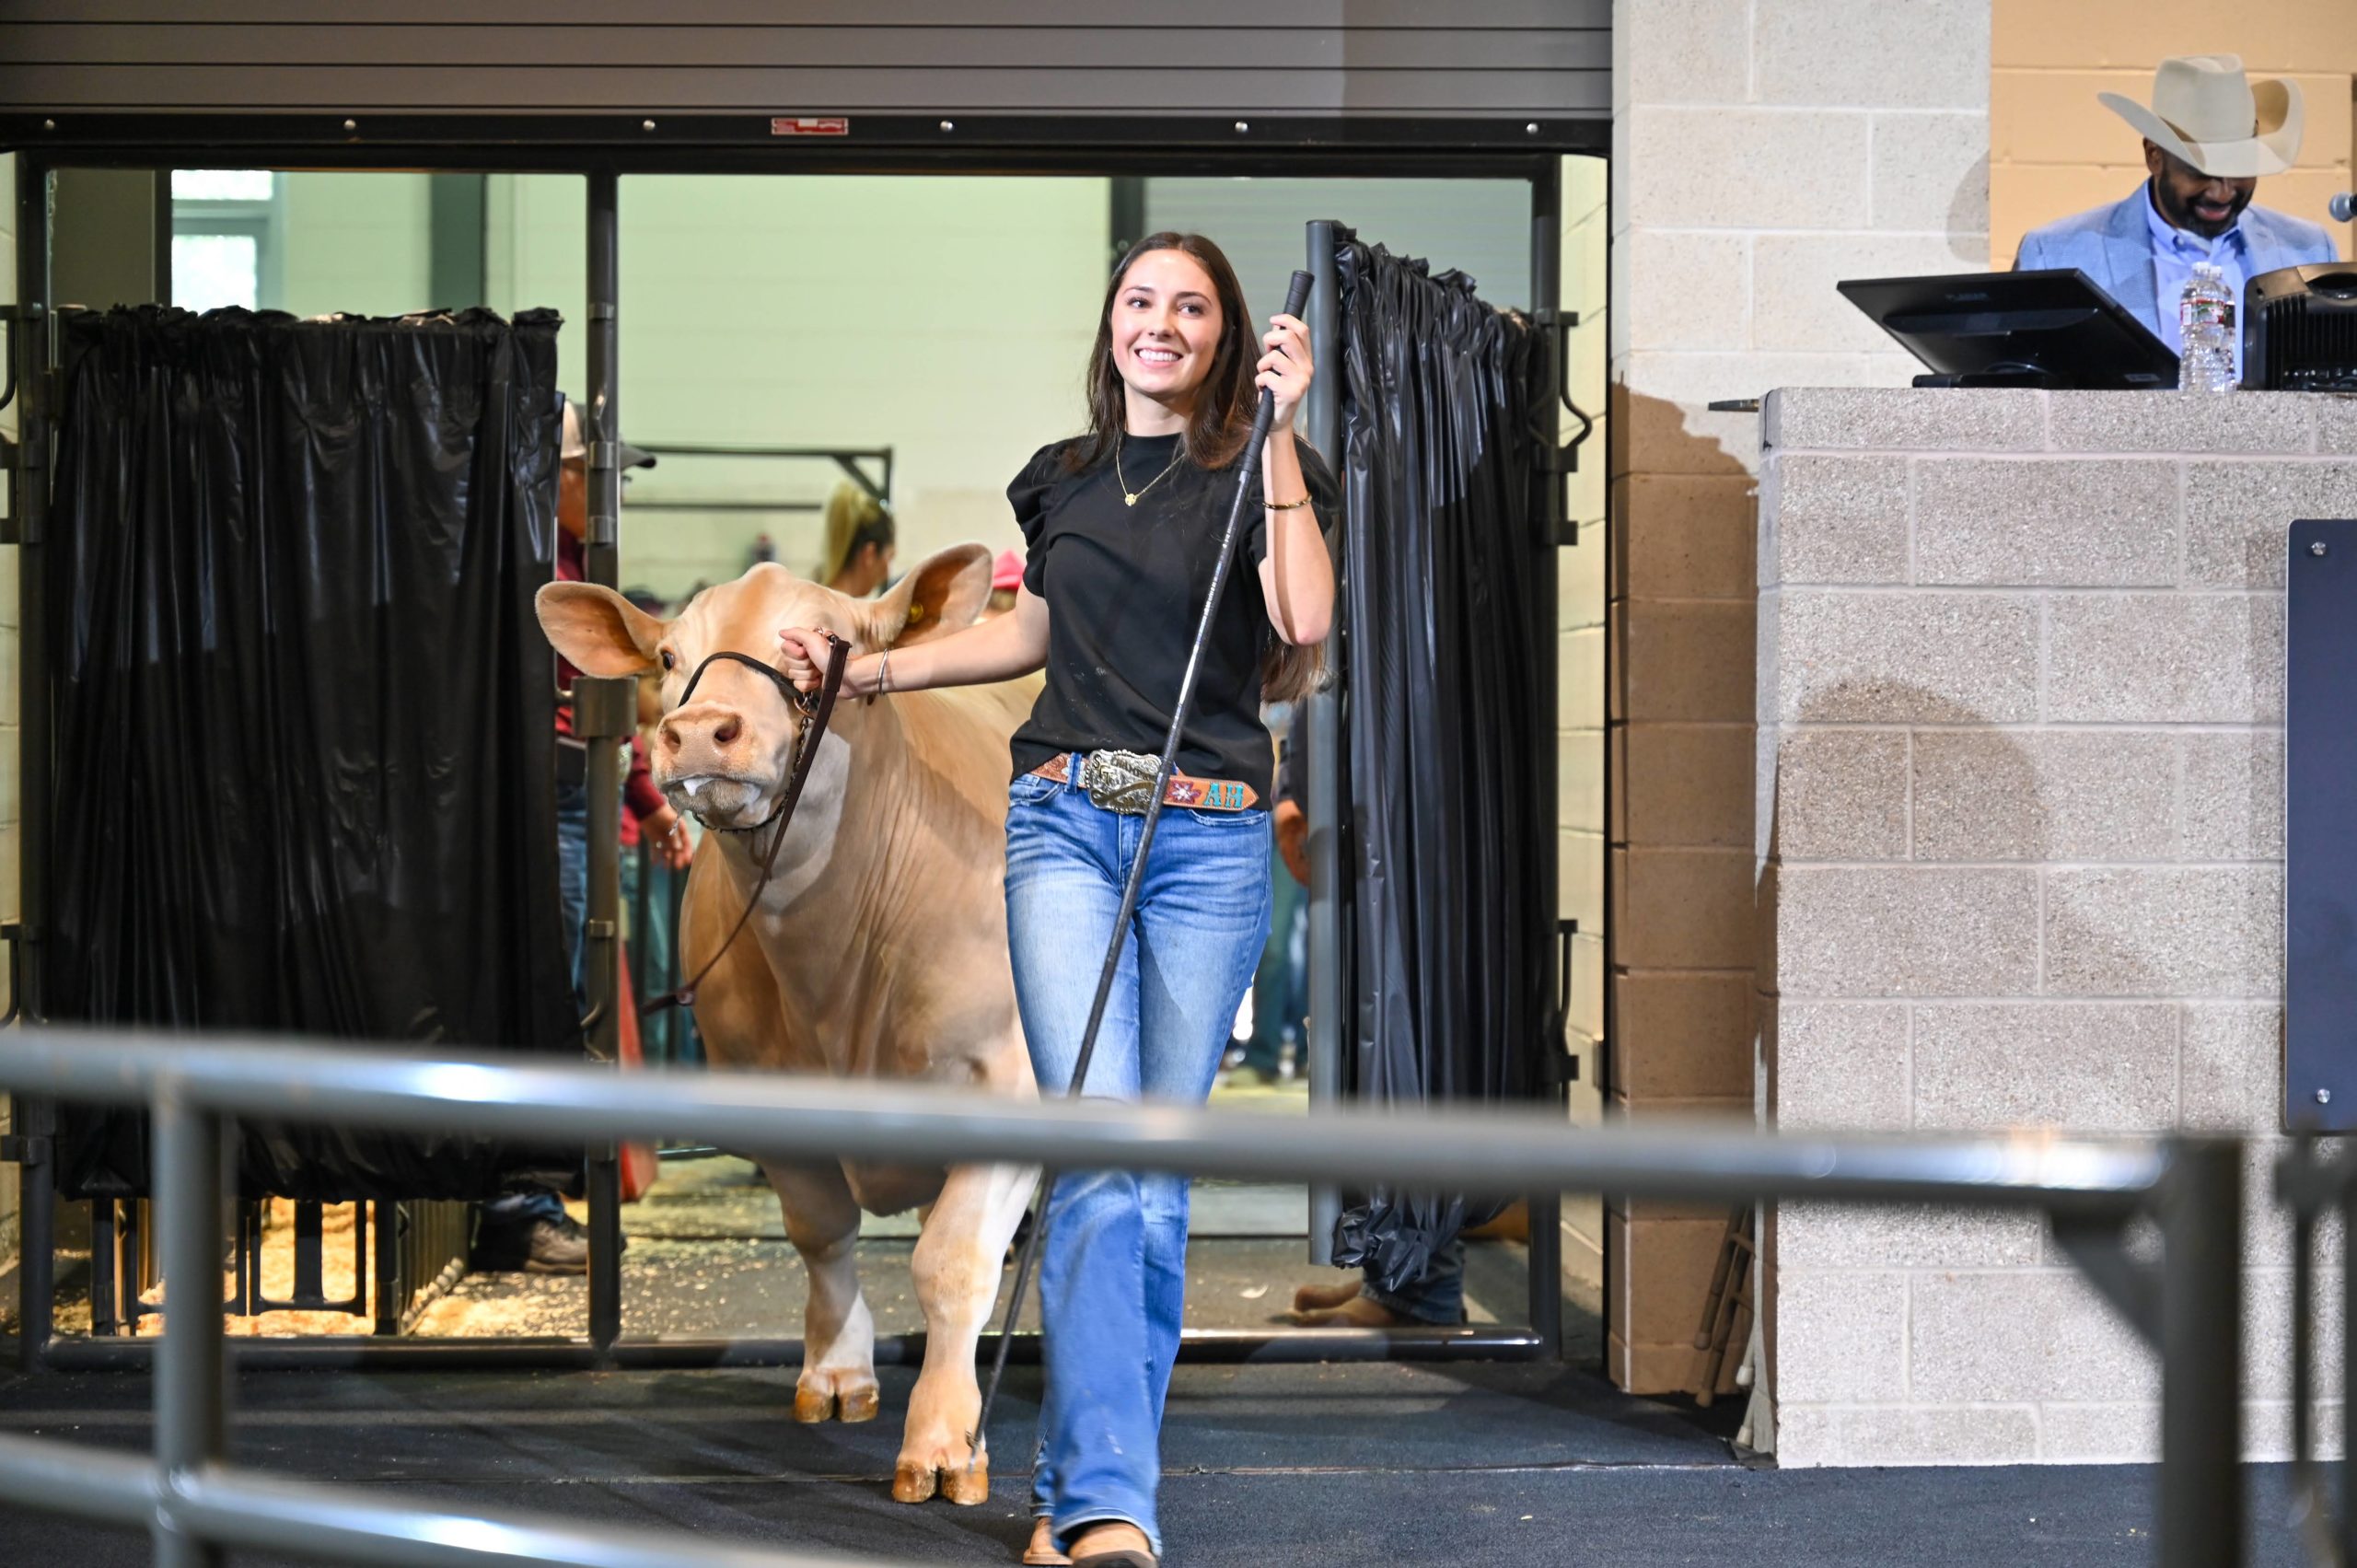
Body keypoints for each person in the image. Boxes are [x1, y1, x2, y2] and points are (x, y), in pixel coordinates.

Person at [779, 232, 1335, 1568]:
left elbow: (1303, 621)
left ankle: (1088, 1485)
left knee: (1147, 1175)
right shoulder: (1064, 477)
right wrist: (883, 673)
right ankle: (1105, 1508)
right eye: (1141, 300)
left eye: (1191, 306)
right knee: (1094, 1148)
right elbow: (1042, 632)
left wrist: (1279, 435)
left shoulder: (1262, 470)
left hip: (1204, 842)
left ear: (1227, 335)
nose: (1162, 322)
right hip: (1067, 823)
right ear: (1111, 325)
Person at [472, 394, 666, 1275]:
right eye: (599, 476)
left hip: (576, 797)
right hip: (548, 800)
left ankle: (538, 1192)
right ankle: (519, 1203)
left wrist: (650, 803)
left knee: (573, 994)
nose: (609, 494)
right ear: (562, 476)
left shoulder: (581, 562)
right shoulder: (540, 568)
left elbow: (608, 713)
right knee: (551, 993)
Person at [2013, 54, 2339, 376]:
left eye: (2240, 171)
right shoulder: (2055, 254)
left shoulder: (2309, 250)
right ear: (2154, 156)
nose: (2222, 192)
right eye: (2200, 172)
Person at [816, 480, 897, 597]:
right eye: (889, 558)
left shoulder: (816, 601)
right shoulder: (845, 612)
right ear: (870, 553)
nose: (887, 574)